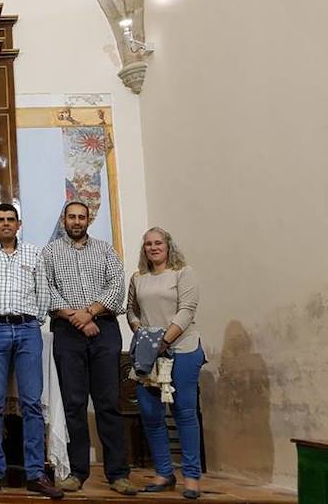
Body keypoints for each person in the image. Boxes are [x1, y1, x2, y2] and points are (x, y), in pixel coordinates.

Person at [43, 201, 137, 496]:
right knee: (74, 404)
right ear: (64, 220)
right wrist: (79, 319)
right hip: (67, 331)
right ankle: (77, 472)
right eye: (71, 217)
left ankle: (118, 474)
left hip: (105, 330)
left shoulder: (106, 250)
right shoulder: (50, 252)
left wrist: (91, 313)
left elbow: (116, 286)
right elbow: (47, 289)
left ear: (89, 220)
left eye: (81, 217)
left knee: (109, 402)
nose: (76, 221)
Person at [0, 204, 64, 500]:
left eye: (11, 220)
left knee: (32, 403)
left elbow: (43, 291)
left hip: (27, 331)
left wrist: (33, 320)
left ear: (19, 223)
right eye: (0, 220)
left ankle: (36, 473)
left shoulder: (34, 252)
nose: (6, 224)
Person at [127, 227, 204, 500]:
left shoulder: (184, 273)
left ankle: (192, 477)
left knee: (184, 412)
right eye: (148, 244)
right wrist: (141, 333)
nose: (153, 247)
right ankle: (163, 473)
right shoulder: (138, 278)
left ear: (168, 246)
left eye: (158, 243)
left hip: (182, 349)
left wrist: (164, 340)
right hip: (149, 355)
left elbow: (187, 310)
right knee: (150, 413)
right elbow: (131, 310)